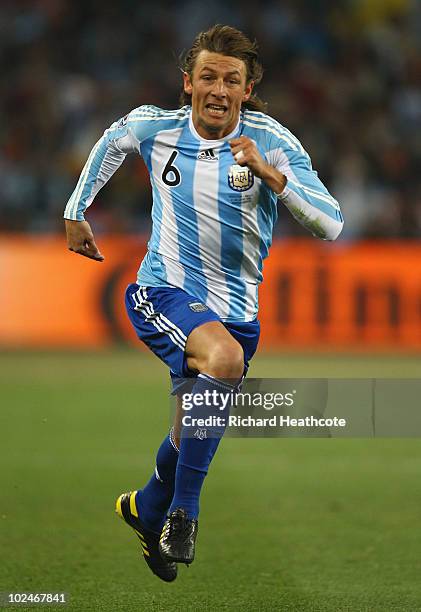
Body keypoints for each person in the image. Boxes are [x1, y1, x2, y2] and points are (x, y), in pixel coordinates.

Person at [64, 24, 343, 582]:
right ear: (188, 82)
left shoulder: (274, 142)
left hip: (238, 317)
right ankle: (184, 516)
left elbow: (330, 224)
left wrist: (274, 177)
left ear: (247, 88)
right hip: (161, 291)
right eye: (209, 77)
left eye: (232, 80)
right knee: (222, 363)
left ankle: (147, 507)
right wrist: (76, 210)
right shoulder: (157, 127)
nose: (219, 89)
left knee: (191, 429)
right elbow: (111, 142)